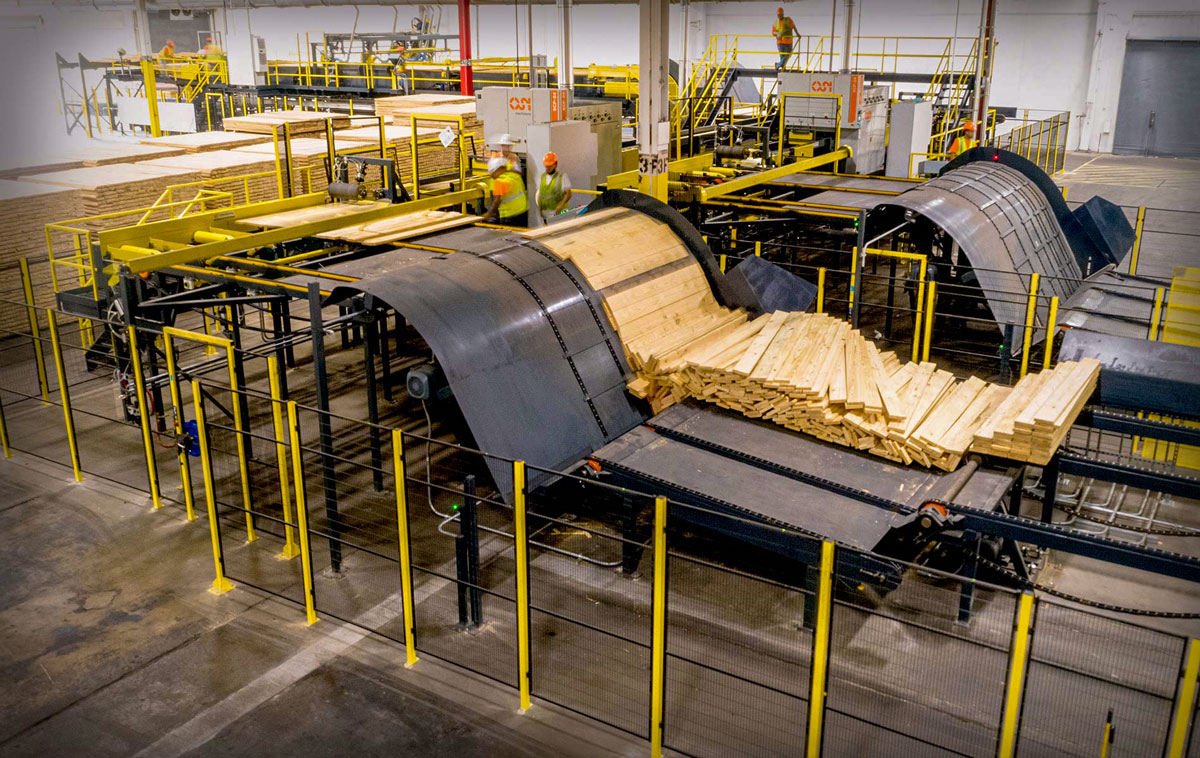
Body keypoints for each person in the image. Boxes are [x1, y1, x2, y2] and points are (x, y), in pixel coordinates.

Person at [484, 156, 528, 228]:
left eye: (492, 172)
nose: (491, 175)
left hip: (509, 216)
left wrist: (488, 214)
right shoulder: (515, 174)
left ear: (497, 170)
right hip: (522, 211)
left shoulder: (500, 181)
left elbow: (497, 201)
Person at [536, 152, 573, 222]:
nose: (548, 168)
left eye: (550, 166)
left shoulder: (562, 177)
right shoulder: (542, 177)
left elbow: (568, 194)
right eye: (547, 166)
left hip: (559, 214)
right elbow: (540, 194)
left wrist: (561, 204)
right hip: (545, 214)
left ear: (555, 165)